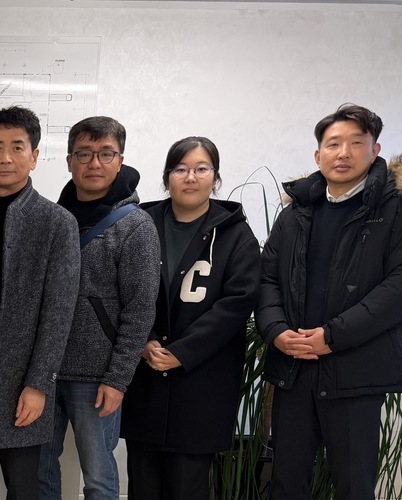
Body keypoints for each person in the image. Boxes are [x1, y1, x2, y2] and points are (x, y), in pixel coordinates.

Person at [257, 104, 402, 500]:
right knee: (286, 483)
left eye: (357, 143)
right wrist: (277, 332)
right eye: (333, 144)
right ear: (317, 154)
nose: (344, 153)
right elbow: (267, 278)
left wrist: (332, 336)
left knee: (354, 486)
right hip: (294, 366)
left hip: (358, 370)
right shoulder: (296, 212)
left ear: (375, 150)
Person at [120, 136, 259, 500]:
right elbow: (121, 289)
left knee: (188, 487)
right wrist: (144, 339)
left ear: (216, 177)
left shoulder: (236, 234)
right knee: (143, 487)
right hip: (146, 380)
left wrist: (183, 352)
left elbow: (237, 302)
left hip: (201, 384)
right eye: (181, 169)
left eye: (201, 169)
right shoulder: (140, 224)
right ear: (167, 177)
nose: (191, 177)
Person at [0, 106, 79, 500]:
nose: (5, 157)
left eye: (16, 147)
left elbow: (58, 312)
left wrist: (38, 383)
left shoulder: (56, 222)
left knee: (25, 488)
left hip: (21, 380)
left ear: (34, 156)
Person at [39, 116, 160, 500]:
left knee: (99, 478)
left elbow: (140, 310)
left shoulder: (135, 226)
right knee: (39, 472)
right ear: (69, 161)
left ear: (120, 160)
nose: (94, 163)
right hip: (43, 371)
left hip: (96, 376)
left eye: (106, 154)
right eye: (84, 154)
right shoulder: (52, 220)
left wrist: (117, 379)